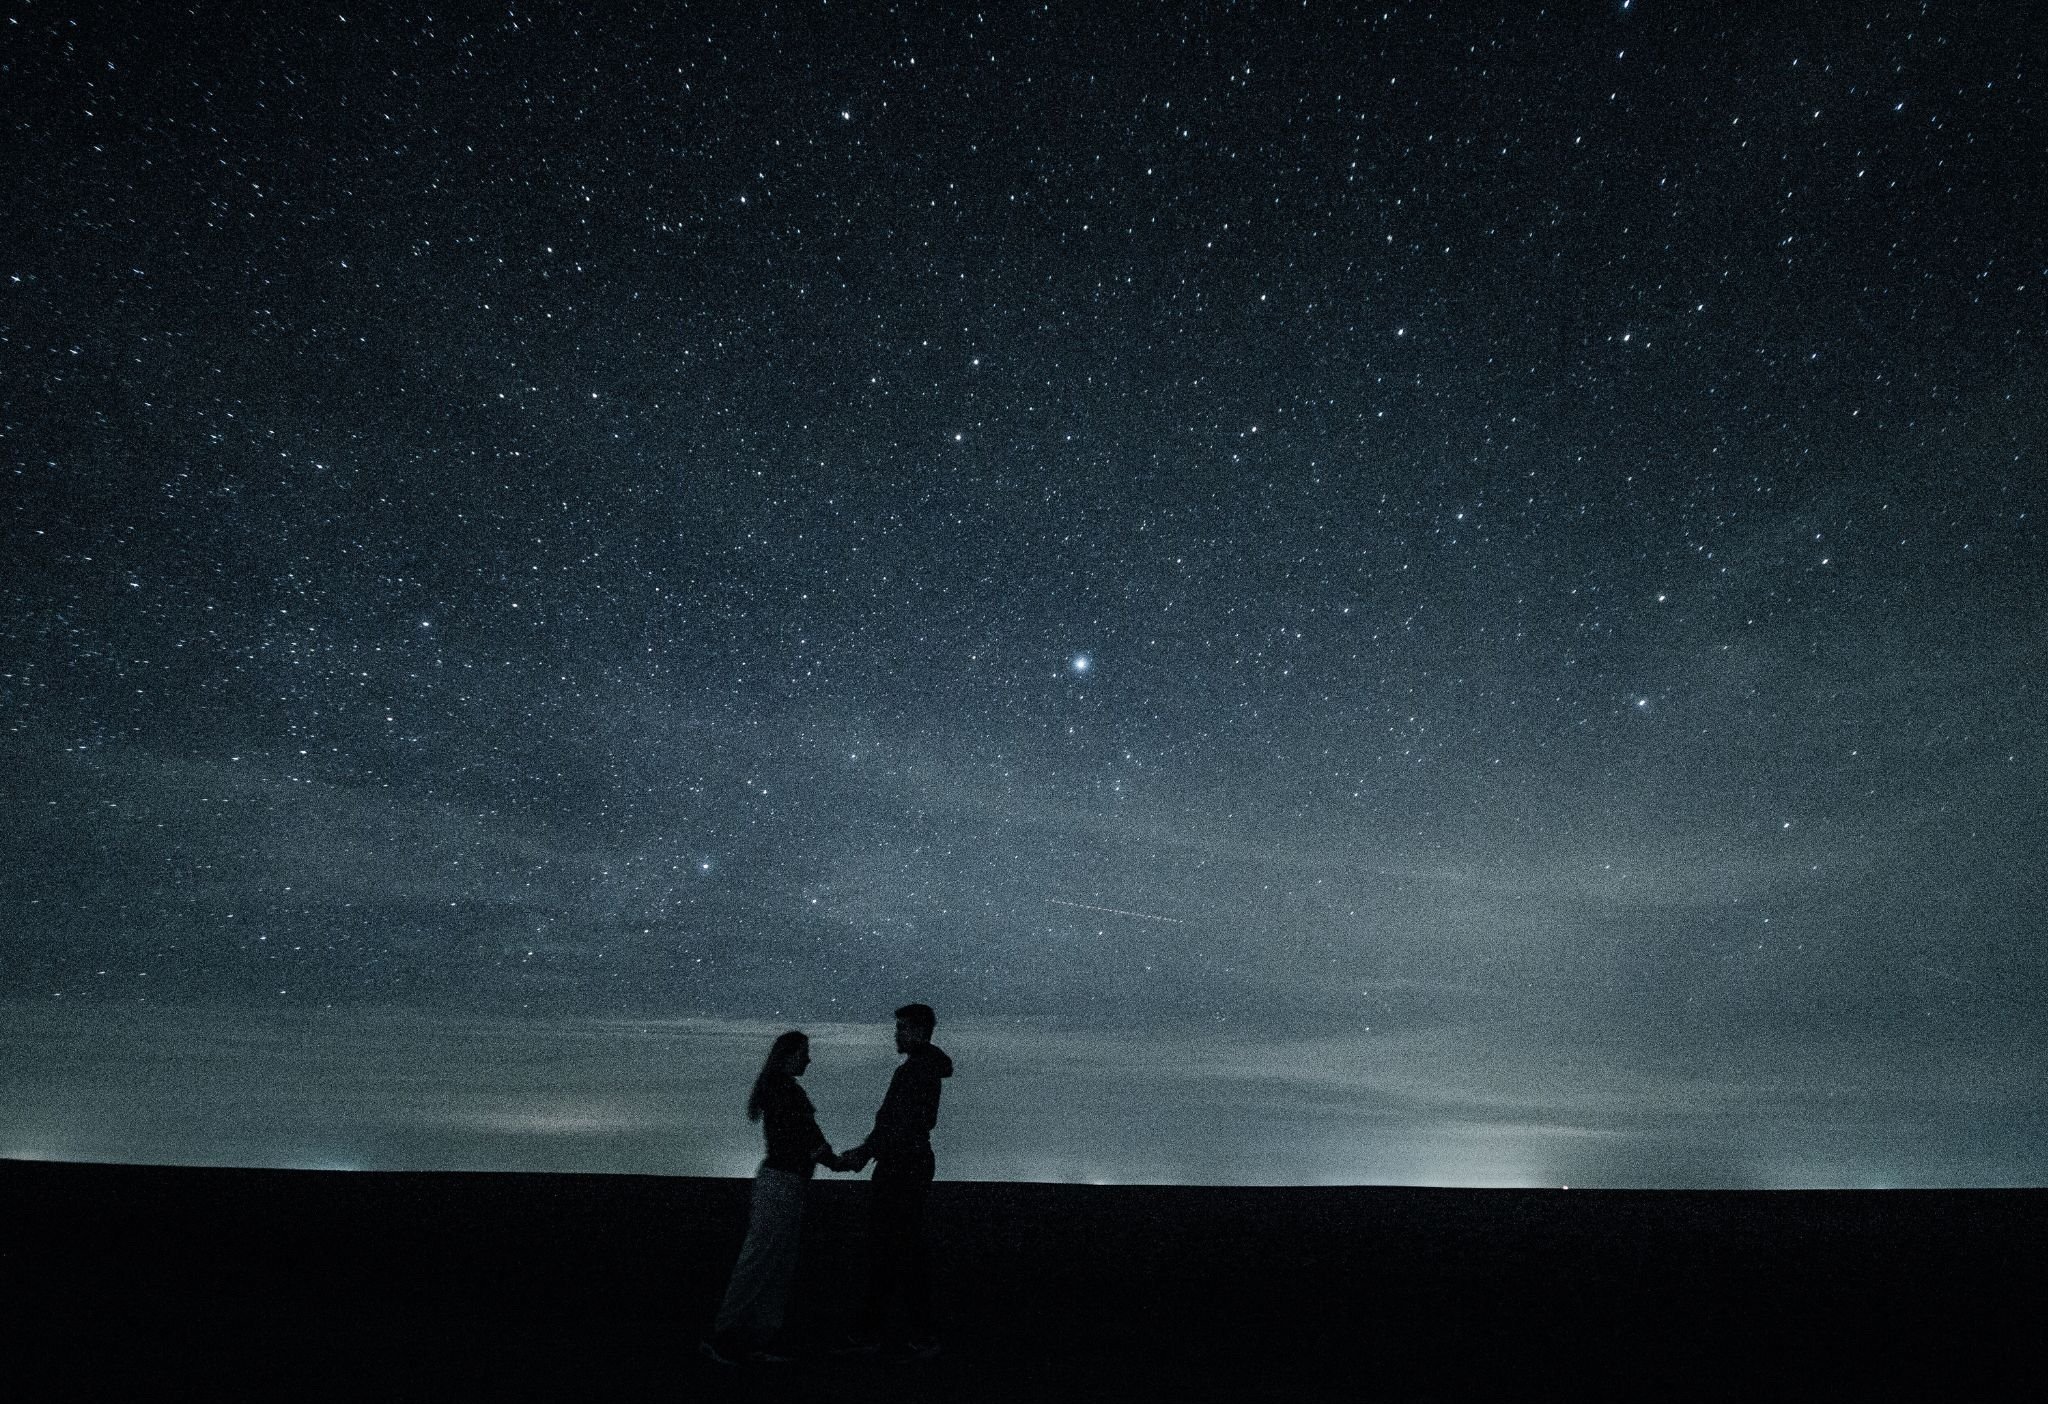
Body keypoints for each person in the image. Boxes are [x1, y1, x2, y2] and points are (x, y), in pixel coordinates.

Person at [702, 1030, 849, 1365]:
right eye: (804, 1053)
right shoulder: (786, 1090)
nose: (809, 1059)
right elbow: (809, 1138)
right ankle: (724, 1336)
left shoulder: (778, 1089)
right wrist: (838, 1162)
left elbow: (805, 1138)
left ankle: (754, 1338)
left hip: (785, 1183)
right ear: (789, 1054)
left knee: (774, 1263)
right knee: (760, 1261)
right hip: (782, 1185)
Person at [839, 1002, 953, 1357]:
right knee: (900, 1248)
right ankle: (897, 1332)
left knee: (895, 1247)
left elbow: (898, 1124)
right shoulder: (923, 1069)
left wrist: (865, 1152)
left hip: (903, 1166)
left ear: (919, 1031)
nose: (896, 1034)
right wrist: (870, 1150)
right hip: (908, 1163)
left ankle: (891, 1334)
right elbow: (898, 1124)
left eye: (902, 1027)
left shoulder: (914, 1072)